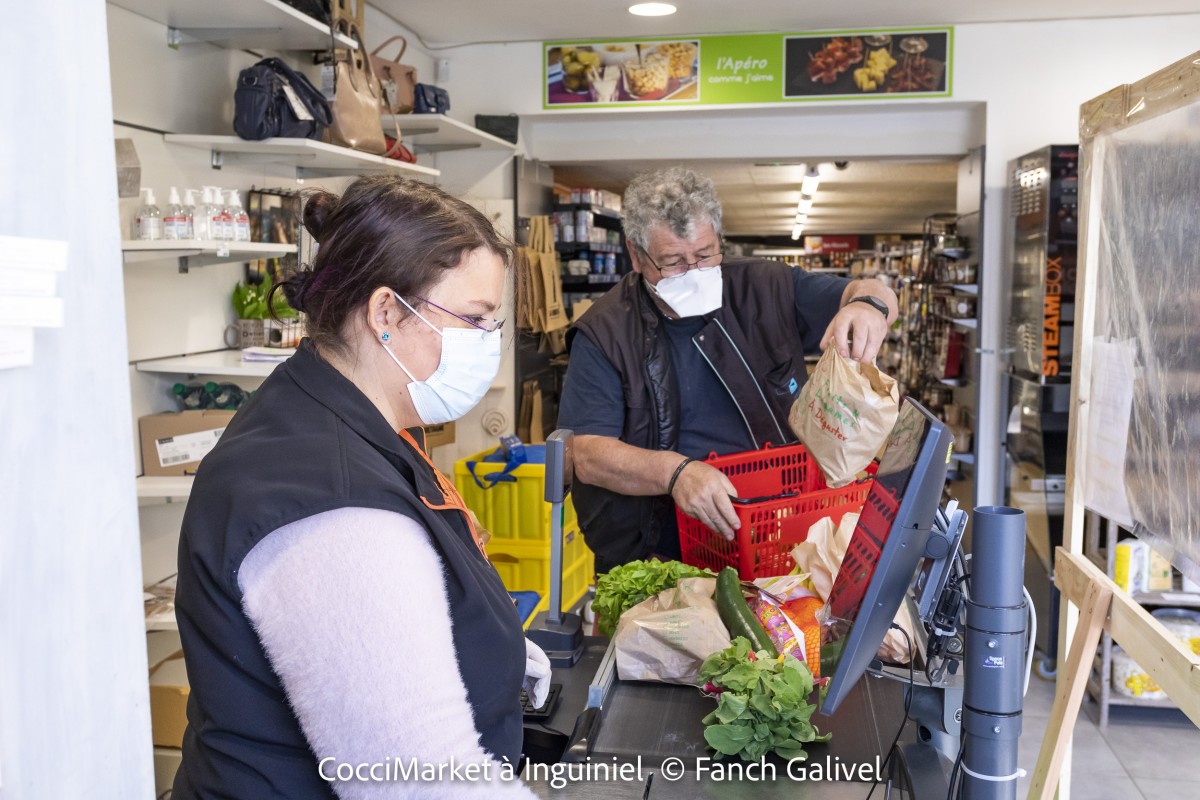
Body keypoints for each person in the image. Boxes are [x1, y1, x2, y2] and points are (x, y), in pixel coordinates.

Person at [172, 175, 544, 799]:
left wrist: (493, 651)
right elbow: (425, 784)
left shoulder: (339, 409)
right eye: (473, 321)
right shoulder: (330, 501)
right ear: (385, 314)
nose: (487, 346)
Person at [558, 167, 898, 574]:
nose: (694, 272)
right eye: (673, 263)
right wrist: (674, 472)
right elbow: (587, 452)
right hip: (660, 550)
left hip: (779, 532)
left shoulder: (766, 287)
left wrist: (869, 307)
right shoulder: (606, 331)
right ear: (635, 254)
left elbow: (869, 291)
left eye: (705, 256)